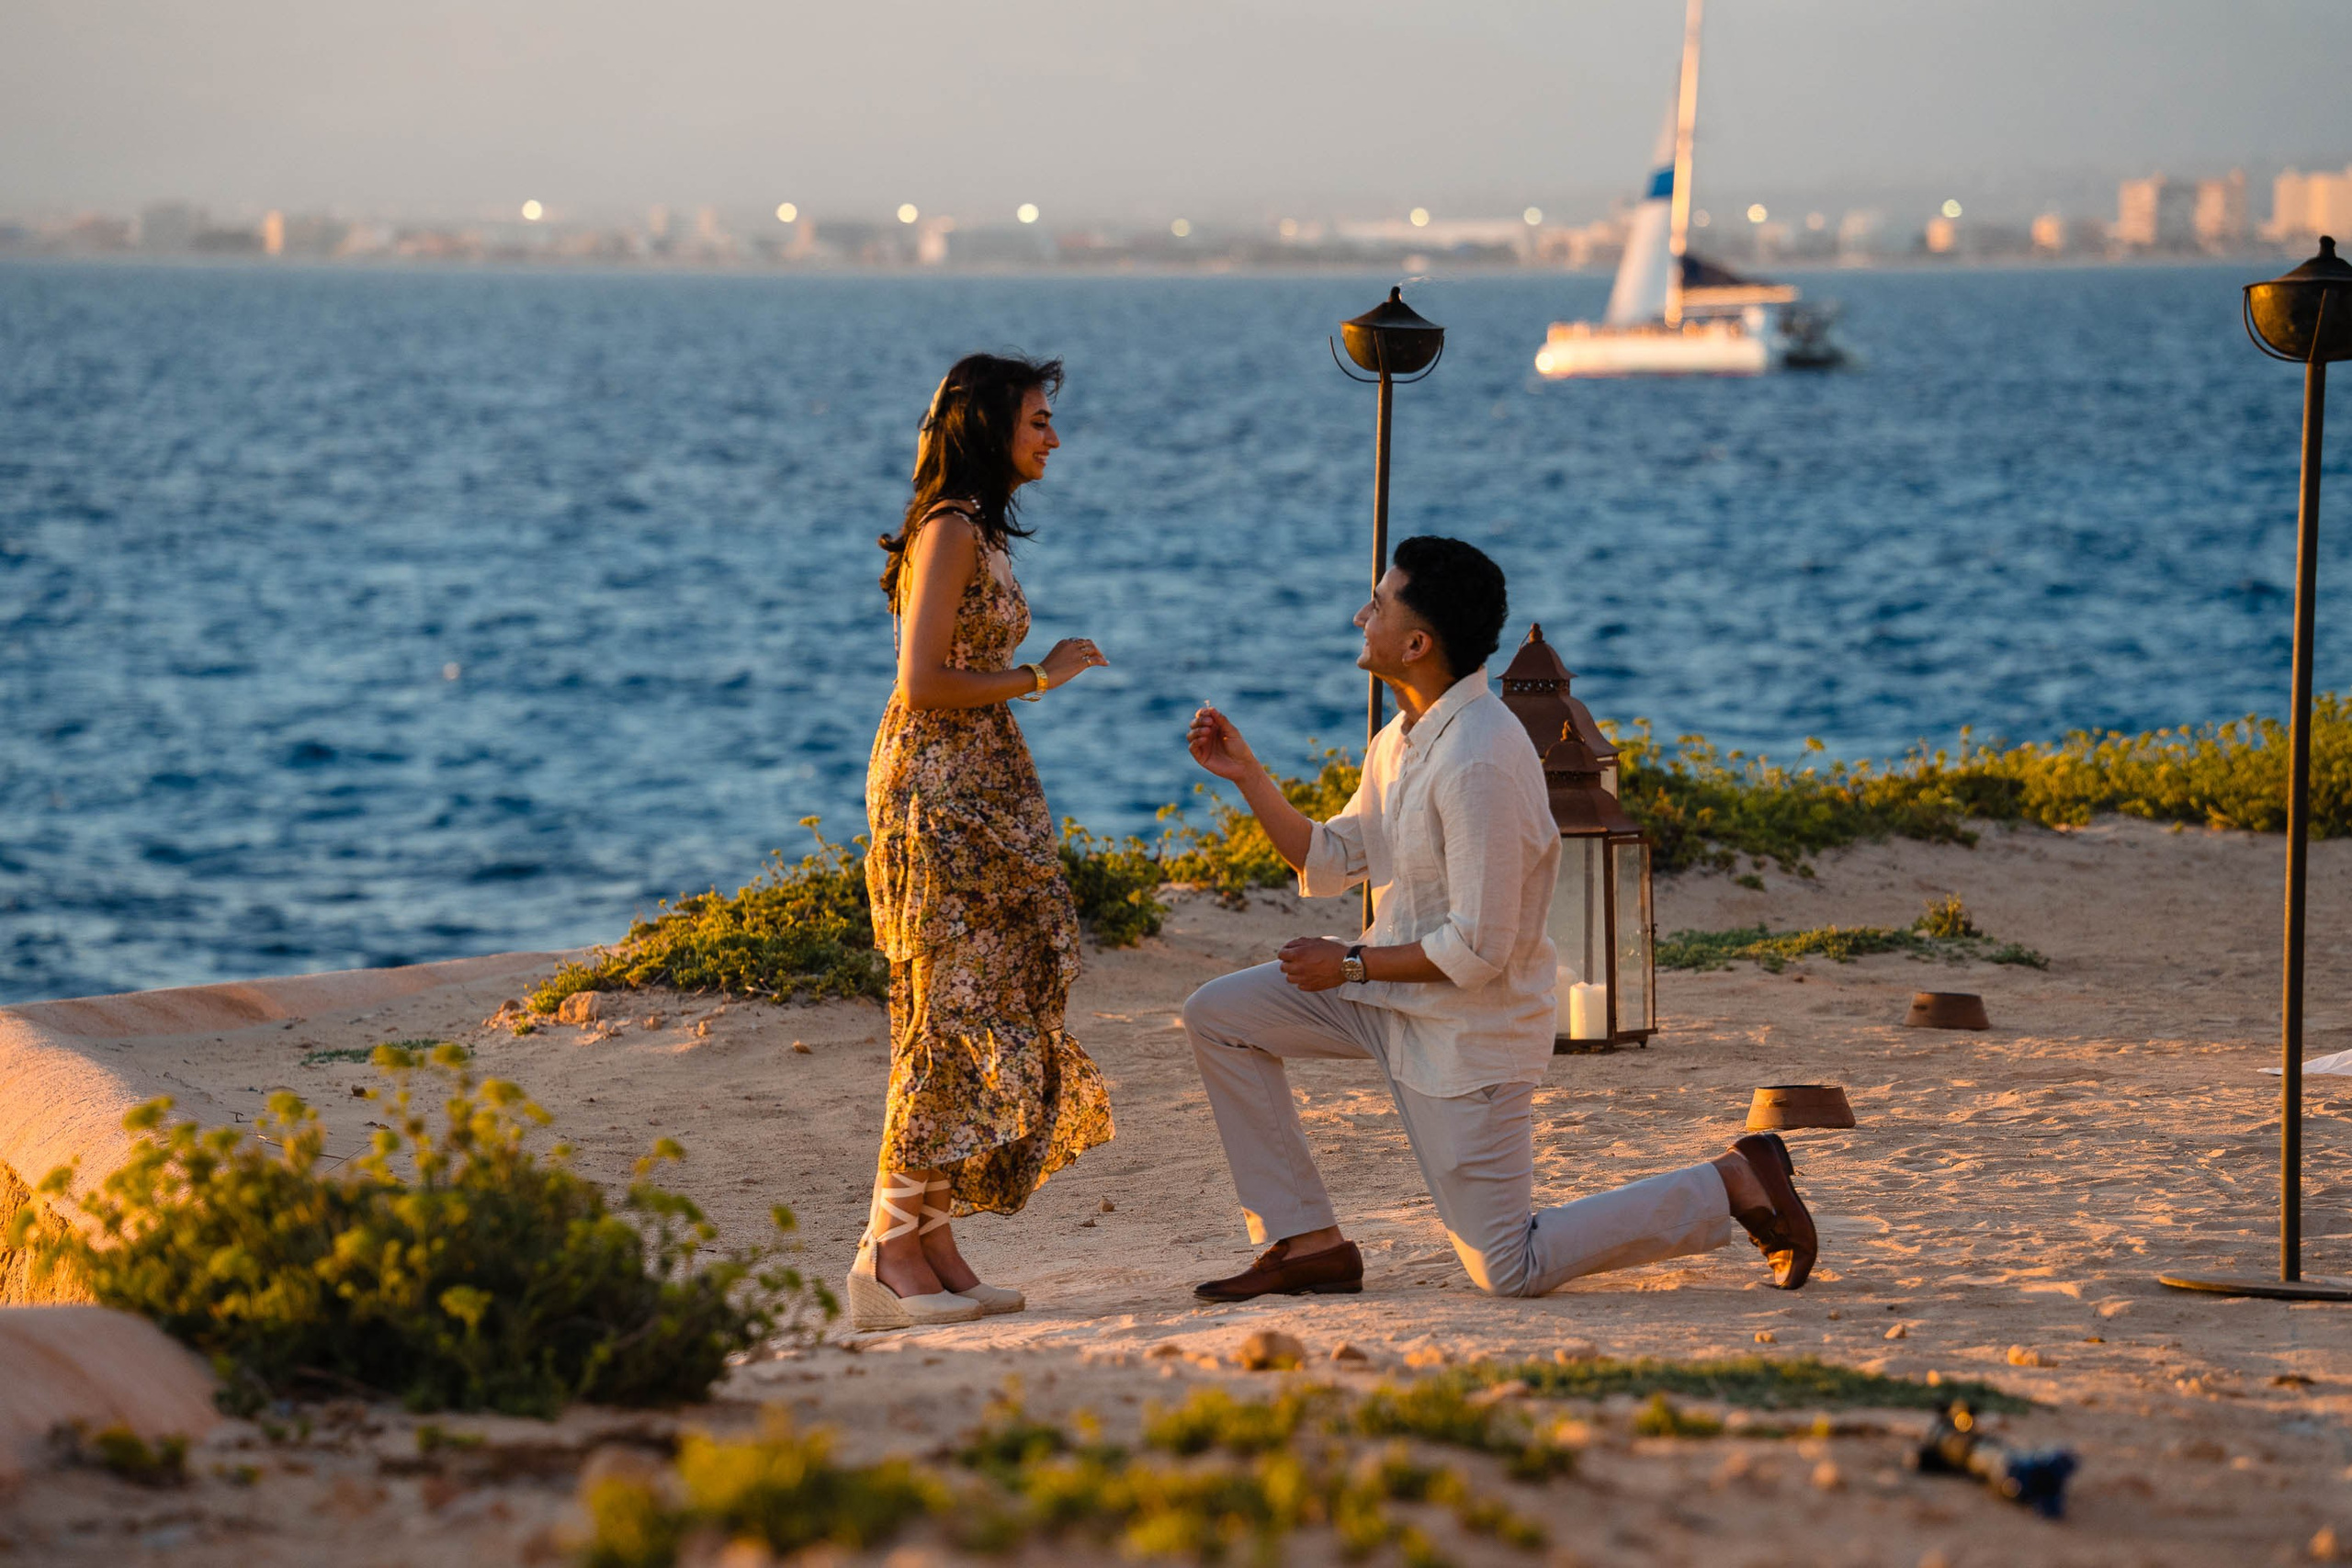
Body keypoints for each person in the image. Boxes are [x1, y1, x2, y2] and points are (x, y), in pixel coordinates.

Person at [1180, 535, 1818, 1302]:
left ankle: (1735, 1179)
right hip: (1383, 999)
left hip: (1467, 1036)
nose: (1359, 617)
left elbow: (1479, 948)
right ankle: (1306, 1240)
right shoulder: (1399, 741)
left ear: (1417, 644)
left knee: (1511, 1268)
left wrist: (1348, 963)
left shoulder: (1479, 758)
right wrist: (1248, 775)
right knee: (1220, 1015)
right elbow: (1328, 855)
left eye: (1376, 605)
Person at [849, 352, 1115, 1331]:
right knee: (944, 1010)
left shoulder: (979, 527)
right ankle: (888, 1251)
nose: (1053, 437)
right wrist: (1039, 678)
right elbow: (921, 682)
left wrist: (1028, 685)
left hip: (980, 780)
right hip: (938, 789)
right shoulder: (950, 529)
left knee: (981, 1002)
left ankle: (930, 1239)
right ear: (989, 424)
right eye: (1038, 420)